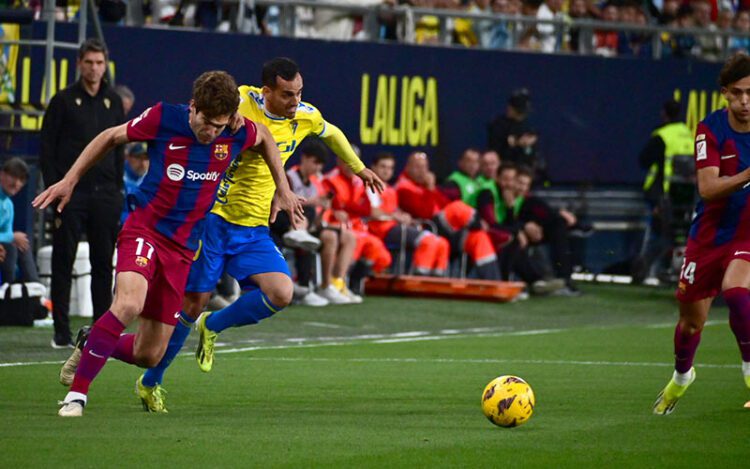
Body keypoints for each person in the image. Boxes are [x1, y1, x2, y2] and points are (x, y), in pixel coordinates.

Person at [34, 70, 300, 417]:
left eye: (219, 125)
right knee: (128, 304)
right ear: (193, 108)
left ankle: (94, 340)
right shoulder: (163, 118)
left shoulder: (235, 132)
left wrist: (282, 187)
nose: (211, 132)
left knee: (150, 354)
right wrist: (70, 180)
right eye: (206, 123)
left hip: (182, 250)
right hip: (144, 230)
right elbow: (110, 136)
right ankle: (77, 396)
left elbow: (264, 137)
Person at [135, 57, 384, 412]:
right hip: (213, 219)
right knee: (191, 304)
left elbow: (332, 133)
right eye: (286, 95)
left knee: (281, 293)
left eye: (298, 93)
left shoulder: (305, 116)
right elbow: (206, 112)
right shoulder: (240, 101)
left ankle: (214, 325)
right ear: (266, 91)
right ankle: (151, 381)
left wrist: (359, 169)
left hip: (252, 227)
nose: (294, 101)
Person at [653, 53, 750, 415]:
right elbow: (708, 189)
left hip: (747, 234)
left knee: (737, 291)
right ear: (725, 93)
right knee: (691, 323)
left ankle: (749, 371)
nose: (745, 101)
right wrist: (747, 175)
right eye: (738, 93)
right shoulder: (710, 129)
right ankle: (681, 377)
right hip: (710, 234)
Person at [39, 38, 126, 348]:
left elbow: (119, 148)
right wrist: (55, 188)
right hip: (71, 195)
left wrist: (117, 188)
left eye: (99, 63)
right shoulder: (62, 101)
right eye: (88, 62)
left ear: (106, 65)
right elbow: (46, 149)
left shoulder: (113, 102)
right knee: (64, 260)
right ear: (79, 64)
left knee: (104, 263)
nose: (94, 68)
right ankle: (61, 331)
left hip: (105, 195)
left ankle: (100, 330)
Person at [632, 99, 694, 284]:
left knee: (657, 233)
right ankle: (668, 271)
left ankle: (644, 272)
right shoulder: (688, 135)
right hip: (684, 194)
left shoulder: (662, 136)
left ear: (664, 113)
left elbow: (644, 160)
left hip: (662, 193)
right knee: (679, 234)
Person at [368, 152, 449, 276]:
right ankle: (419, 279)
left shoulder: (390, 189)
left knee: (441, 243)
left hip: (395, 227)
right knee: (427, 240)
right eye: (383, 167)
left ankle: (437, 281)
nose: (386, 171)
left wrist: (404, 216)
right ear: (373, 168)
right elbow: (372, 211)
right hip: (381, 229)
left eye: (390, 168)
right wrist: (394, 216)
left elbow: (393, 210)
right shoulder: (370, 185)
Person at [0, 157, 39, 283]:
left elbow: (7, 234)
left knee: (21, 244)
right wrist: (12, 237)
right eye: (13, 176)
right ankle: (8, 290)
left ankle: (34, 289)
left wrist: (11, 238)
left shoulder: (9, 205)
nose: (16, 183)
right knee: (13, 244)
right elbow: (9, 236)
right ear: (2, 174)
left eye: (21, 180)